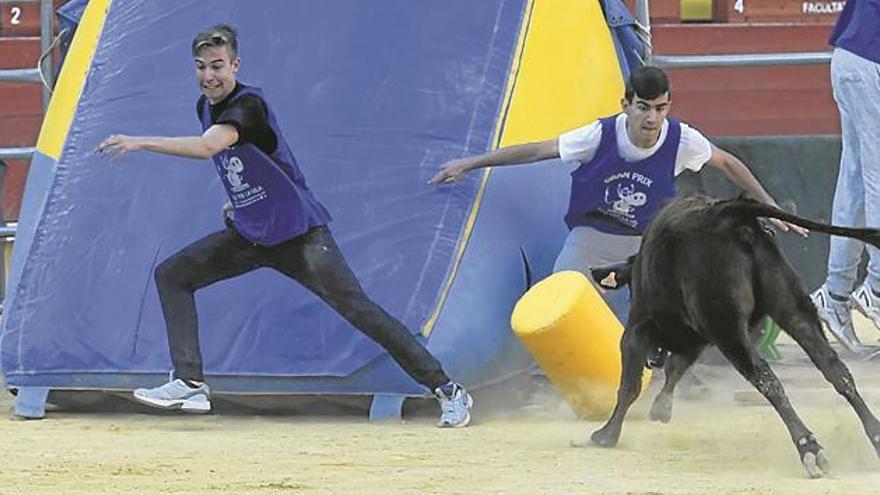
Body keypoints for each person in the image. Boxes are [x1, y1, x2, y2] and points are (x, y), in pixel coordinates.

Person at [96, 24, 473, 427]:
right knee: (172, 276)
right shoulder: (205, 105)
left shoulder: (248, 105)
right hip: (250, 236)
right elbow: (240, 162)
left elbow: (209, 148)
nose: (209, 76)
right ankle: (189, 382)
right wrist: (240, 202)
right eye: (201, 67)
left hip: (300, 237)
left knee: (361, 312)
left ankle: (448, 390)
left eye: (218, 66)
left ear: (235, 65)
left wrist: (139, 141)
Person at [431, 65, 807, 366]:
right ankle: (555, 377)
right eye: (643, 107)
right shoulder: (599, 135)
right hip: (593, 237)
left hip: (648, 246)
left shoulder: (682, 139)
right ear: (626, 103)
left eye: (660, 108)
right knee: (557, 301)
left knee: (676, 310)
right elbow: (536, 151)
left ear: (668, 107)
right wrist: (472, 162)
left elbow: (727, 161)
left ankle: (676, 369)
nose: (651, 118)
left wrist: (769, 206)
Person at [809, 0, 880, 355]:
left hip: (852, 59)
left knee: (855, 182)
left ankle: (836, 296)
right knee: (874, 180)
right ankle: (878, 289)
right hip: (869, 63)